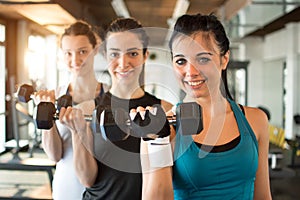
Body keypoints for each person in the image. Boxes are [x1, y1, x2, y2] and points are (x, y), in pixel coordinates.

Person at [141, 13, 272, 200]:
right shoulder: (162, 128)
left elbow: (263, 196)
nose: (191, 72)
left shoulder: (256, 120)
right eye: (181, 61)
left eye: (202, 59)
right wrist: (157, 141)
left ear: (224, 59)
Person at [58, 17, 173, 200]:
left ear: (145, 55)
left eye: (133, 54)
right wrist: (78, 131)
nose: (122, 63)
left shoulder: (166, 111)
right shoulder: (87, 110)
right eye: (114, 54)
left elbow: (171, 176)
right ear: (106, 56)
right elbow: (87, 179)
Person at [33, 20, 109, 200]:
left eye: (82, 51)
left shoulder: (112, 95)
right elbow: (54, 155)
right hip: (67, 185)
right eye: (68, 53)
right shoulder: (54, 97)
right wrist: (46, 112)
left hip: (106, 185)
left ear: (95, 49)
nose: (75, 60)